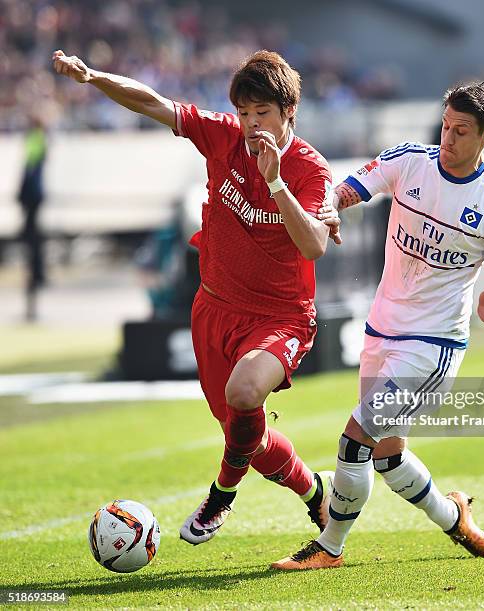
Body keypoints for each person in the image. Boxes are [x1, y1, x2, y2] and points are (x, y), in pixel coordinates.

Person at [52, 48, 341, 544]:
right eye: (244, 113)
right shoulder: (222, 136)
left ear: (289, 111)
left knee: (246, 393)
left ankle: (221, 494)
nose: (251, 125)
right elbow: (153, 103)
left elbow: (314, 244)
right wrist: (92, 75)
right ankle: (316, 493)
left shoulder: (309, 170)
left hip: (280, 316)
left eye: (262, 113)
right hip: (213, 308)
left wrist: (274, 181)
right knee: (242, 429)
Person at [272, 81, 484, 570]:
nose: (447, 138)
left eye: (461, 131)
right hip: (382, 329)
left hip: (432, 345)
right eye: (446, 126)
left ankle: (329, 546)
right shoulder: (409, 160)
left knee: (355, 437)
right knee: (387, 455)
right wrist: (327, 209)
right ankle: (455, 517)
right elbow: (346, 190)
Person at [18, 114, 48, 321]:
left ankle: (37, 274)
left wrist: (22, 191)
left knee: (32, 238)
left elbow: (30, 168)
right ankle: (36, 273)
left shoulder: (35, 138)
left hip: (32, 194)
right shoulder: (39, 137)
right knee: (32, 236)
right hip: (34, 194)